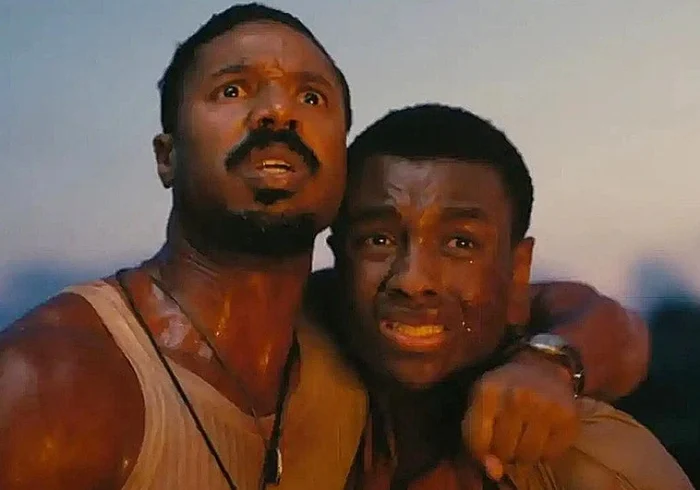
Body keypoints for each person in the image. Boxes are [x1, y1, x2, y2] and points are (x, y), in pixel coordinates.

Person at [0, 4, 649, 490]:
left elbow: (600, 322)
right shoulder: (55, 383)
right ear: (166, 156)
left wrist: (549, 365)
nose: (278, 113)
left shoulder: (345, 321)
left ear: (340, 166)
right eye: (233, 89)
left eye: (311, 97)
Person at [327, 103, 692, 489]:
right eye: (378, 240)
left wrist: (548, 365)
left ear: (518, 271)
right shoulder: (298, 379)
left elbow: (618, 331)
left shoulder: (593, 465)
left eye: (460, 243)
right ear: (338, 258)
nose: (413, 280)